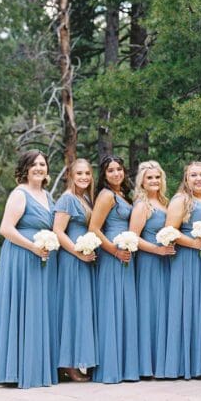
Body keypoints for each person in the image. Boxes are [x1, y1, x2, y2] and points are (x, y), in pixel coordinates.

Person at [0, 150, 59, 388]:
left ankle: (36, 366)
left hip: (41, 258)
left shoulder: (48, 196)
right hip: (21, 256)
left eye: (43, 164)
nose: (39, 168)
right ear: (25, 168)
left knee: (38, 310)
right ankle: (17, 370)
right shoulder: (20, 194)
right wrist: (33, 247)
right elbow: (6, 229)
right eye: (34, 164)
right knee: (23, 308)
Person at [161, 161, 201, 379]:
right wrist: (192, 243)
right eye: (193, 175)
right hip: (191, 260)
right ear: (186, 179)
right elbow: (169, 231)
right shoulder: (182, 200)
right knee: (192, 306)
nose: (198, 179)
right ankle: (190, 364)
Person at [88, 155, 140, 384]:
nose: (116, 173)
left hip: (125, 254)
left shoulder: (122, 195)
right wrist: (115, 251)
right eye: (111, 170)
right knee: (111, 306)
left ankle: (124, 366)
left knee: (123, 307)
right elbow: (94, 228)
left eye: (119, 169)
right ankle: (109, 368)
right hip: (112, 255)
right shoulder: (107, 195)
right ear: (104, 174)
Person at [52, 158, 97, 382]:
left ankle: (77, 359)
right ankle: (67, 364)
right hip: (72, 259)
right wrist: (78, 253)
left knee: (81, 309)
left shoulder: (85, 198)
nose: (84, 177)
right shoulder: (67, 199)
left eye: (87, 173)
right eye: (79, 173)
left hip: (84, 259)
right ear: (70, 175)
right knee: (71, 307)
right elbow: (58, 231)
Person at [129, 160, 176, 377]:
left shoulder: (165, 203)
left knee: (164, 309)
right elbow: (133, 238)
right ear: (142, 182)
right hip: (149, 263)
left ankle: (162, 363)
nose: (154, 181)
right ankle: (146, 366)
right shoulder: (142, 206)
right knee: (150, 309)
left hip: (166, 262)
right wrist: (157, 251)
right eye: (149, 178)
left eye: (157, 177)